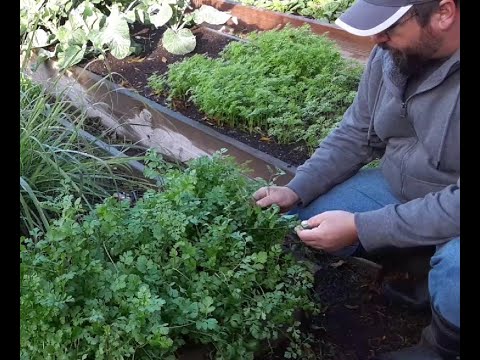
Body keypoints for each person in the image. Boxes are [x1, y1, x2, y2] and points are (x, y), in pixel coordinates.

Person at [252, 0, 460, 359]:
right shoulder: (392, 55)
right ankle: (418, 270)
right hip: (401, 186)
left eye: (390, 28)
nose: (377, 40)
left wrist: (364, 227)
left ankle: (441, 347)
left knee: (457, 272)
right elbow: (356, 133)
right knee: (308, 220)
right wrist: (296, 188)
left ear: (444, 13)